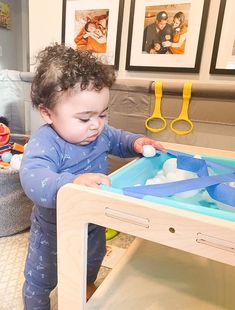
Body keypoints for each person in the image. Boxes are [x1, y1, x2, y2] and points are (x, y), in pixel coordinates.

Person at [19, 43, 166, 309]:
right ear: (47, 113)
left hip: (94, 223)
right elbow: (33, 178)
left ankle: (85, 290)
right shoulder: (46, 141)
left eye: (102, 114)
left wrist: (136, 143)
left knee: (90, 262)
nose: (97, 124)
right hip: (53, 232)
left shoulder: (100, 133)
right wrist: (71, 183)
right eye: (85, 118)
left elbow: (120, 138)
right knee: (40, 279)